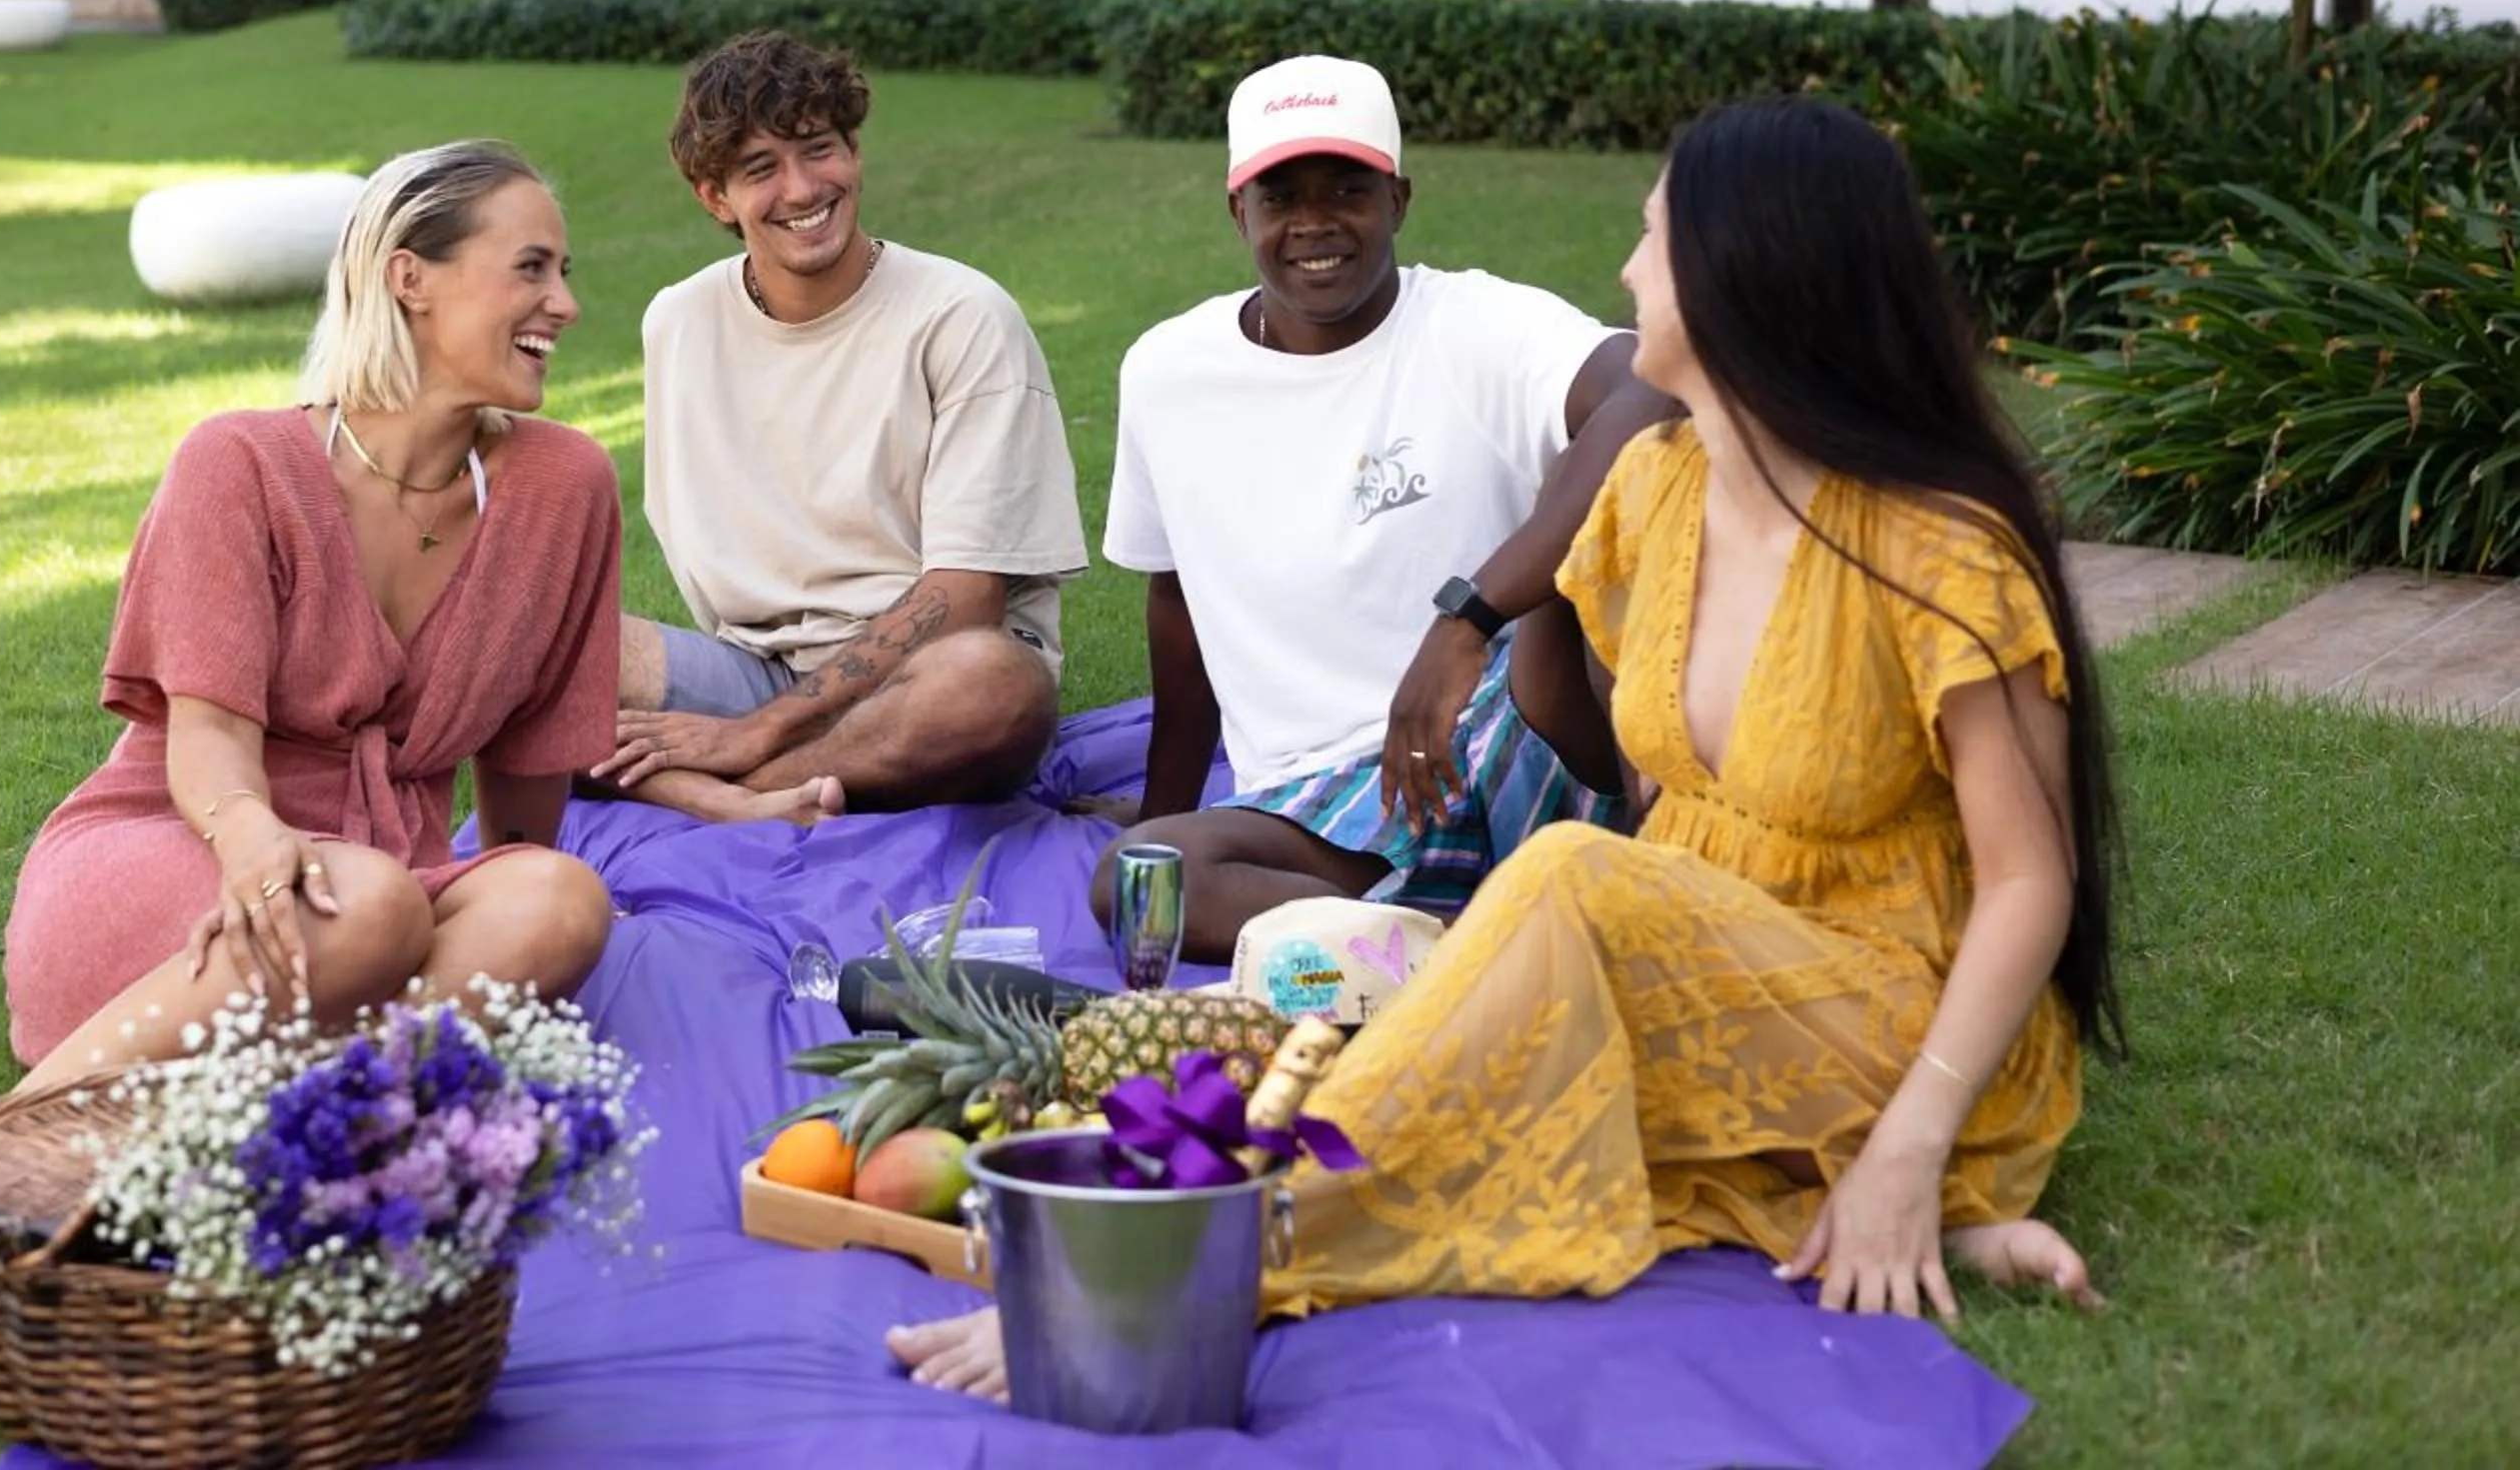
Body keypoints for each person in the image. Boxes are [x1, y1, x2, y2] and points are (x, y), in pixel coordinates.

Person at [893, 97, 2112, 1397]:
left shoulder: (1940, 548)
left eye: (1651, 240)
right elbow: (1587, 712)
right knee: (1486, 1079)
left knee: (1556, 907)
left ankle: (1188, 1269)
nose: (1626, 272)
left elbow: (2030, 881)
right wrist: (1495, 641)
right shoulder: (1661, 490)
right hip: (1718, 971)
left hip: (1895, 1012)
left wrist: (1915, 1143)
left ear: (1747, 274)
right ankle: (1866, 1197)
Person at [0, 142, 624, 1278]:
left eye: (564, 272)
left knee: (563, 899)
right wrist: (257, 846)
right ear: (409, 278)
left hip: (378, 890)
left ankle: (247, 1137)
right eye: (532, 268)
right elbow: (208, 741)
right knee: (370, 906)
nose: (565, 304)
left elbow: (527, 780)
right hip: (183, 847)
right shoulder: (240, 461)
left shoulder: (565, 485)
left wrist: (510, 931)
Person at [1087, 55, 1674, 958]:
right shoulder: (1168, 372)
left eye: (1347, 190)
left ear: (1397, 200)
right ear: (1238, 212)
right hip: (1326, 804)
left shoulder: (1476, 324)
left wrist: (1466, 620)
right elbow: (1178, 605)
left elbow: (1654, 393)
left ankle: (1660, 876)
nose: (1315, 222)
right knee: (1139, 879)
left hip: (1518, 732)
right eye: (1282, 197)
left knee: (1599, 551)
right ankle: (1478, 942)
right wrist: (1166, 812)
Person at [590, 31, 1089, 820]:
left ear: (854, 152)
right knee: (542, 648)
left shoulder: (962, 316)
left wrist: (753, 735)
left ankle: (725, 794)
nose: (801, 188)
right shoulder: (680, 321)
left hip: (926, 677)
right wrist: (753, 709)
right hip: (753, 669)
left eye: (818, 149)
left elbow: (966, 600)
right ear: (715, 197)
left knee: (994, 686)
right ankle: (763, 794)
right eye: (761, 168)